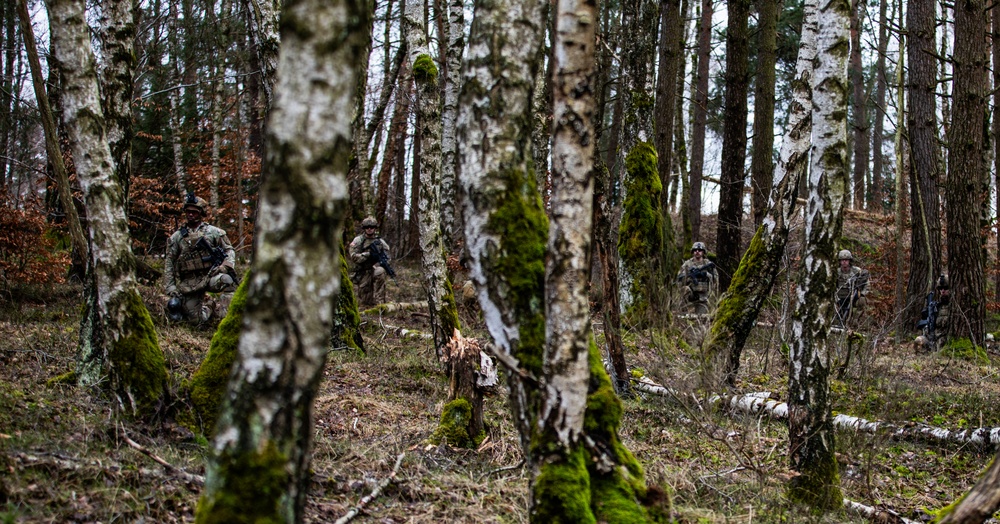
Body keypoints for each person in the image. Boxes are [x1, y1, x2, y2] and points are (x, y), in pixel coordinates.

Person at [164, 193, 237, 324]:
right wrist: (171, 288)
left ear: (201, 213)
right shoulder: (177, 237)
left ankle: (227, 319)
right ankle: (210, 305)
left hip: (211, 276)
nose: (190, 215)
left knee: (228, 280)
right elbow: (169, 261)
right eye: (188, 212)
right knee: (195, 321)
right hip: (190, 282)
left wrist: (225, 266)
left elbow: (229, 250)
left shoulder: (214, 232)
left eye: (194, 212)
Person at [349, 216, 391, 308]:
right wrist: (368, 255)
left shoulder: (380, 242)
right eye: (367, 227)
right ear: (364, 228)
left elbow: (388, 257)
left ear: (375, 228)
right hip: (362, 271)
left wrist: (380, 262)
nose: (369, 229)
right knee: (365, 302)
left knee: (381, 271)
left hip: (374, 269)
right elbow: (354, 257)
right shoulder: (358, 240)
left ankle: (380, 304)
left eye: (371, 227)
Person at [677, 242, 718, 314]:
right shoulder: (687, 264)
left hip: (703, 295)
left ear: (703, 252)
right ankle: (683, 313)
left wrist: (706, 275)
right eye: (695, 250)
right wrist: (689, 278)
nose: (697, 252)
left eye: (700, 250)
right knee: (685, 290)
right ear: (692, 252)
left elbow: (716, 279)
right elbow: (680, 279)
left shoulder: (708, 264)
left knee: (702, 317)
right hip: (691, 294)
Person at [833, 249, 869, 329]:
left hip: (854, 296)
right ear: (839, 261)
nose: (844, 262)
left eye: (846, 260)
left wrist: (862, 293)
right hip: (840, 297)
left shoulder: (857, 271)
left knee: (862, 301)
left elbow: (866, 283)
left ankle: (855, 321)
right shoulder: (836, 272)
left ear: (850, 261)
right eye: (842, 260)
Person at [917, 274, 950, 350]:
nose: (943, 291)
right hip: (934, 338)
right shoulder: (935, 306)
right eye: (940, 288)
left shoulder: (954, 307)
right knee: (918, 341)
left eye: (945, 288)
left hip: (946, 339)